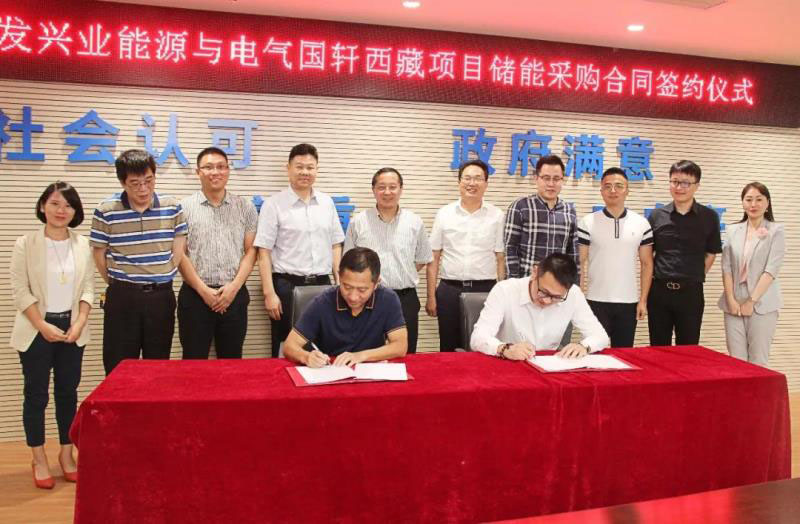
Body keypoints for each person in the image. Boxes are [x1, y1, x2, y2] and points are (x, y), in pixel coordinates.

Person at [9, 182, 93, 489]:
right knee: (36, 395)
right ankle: (39, 458)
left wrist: (80, 322)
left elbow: (88, 288)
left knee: (67, 393)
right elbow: (20, 291)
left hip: (72, 331)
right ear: (43, 206)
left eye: (68, 205)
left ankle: (66, 455)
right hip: (36, 330)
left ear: (75, 211)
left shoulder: (82, 244)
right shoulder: (26, 244)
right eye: (55, 203)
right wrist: (42, 325)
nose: (61, 210)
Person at [90, 149, 187, 374]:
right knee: (119, 366)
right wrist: (117, 282)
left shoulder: (172, 206)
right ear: (122, 182)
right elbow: (99, 254)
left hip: (161, 296)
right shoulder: (106, 210)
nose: (143, 189)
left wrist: (165, 271)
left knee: (158, 366)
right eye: (135, 183)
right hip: (123, 297)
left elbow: (179, 244)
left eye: (149, 181)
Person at [255, 143, 345, 357]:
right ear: (288, 168)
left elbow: (335, 244)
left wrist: (339, 284)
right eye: (299, 166)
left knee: (322, 344)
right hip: (287, 287)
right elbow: (263, 252)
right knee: (285, 346)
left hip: (323, 285)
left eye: (310, 167)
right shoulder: (273, 204)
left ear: (317, 170)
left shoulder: (326, 203)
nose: (305, 172)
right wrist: (269, 293)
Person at [178, 147, 258, 359]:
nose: (215, 172)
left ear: (228, 170)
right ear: (198, 172)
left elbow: (251, 251)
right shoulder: (183, 208)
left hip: (234, 295)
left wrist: (233, 288)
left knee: (232, 362)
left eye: (221, 167)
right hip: (195, 296)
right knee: (193, 362)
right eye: (208, 167)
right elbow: (180, 254)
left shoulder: (245, 207)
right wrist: (203, 291)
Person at [344, 167, 432, 353]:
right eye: (381, 187)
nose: (387, 192)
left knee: (405, 354)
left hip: (405, 299)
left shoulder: (414, 222)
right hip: (367, 299)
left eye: (392, 187)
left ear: (401, 189)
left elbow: (422, 259)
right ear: (373, 190)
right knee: (365, 353)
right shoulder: (358, 222)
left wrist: (402, 272)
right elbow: (349, 262)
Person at [426, 159, 505, 351]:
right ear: (459, 182)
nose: (472, 183)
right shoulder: (444, 213)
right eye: (467, 178)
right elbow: (433, 257)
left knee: (483, 346)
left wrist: (503, 295)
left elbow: (500, 258)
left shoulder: (497, 215)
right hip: (449, 290)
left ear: (486, 183)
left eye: (478, 178)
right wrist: (431, 296)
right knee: (449, 347)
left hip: (485, 290)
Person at [283, 247, 408, 367]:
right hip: (332, 370)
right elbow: (289, 346)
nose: (353, 297)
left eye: (362, 290)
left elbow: (400, 346)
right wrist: (306, 357)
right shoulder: (322, 302)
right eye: (347, 287)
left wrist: (361, 356)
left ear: (376, 284)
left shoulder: (388, 299)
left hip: (371, 371)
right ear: (339, 276)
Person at [470, 253, 609, 359]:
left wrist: (583, 346)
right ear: (535, 273)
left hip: (548, 367)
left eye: (556, 297)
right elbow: (478, 338)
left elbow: (600, 336)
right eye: (544, 292)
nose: (547, 301)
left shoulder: (574, 294)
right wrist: (504, 349)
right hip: (508, 364)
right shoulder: (505, 290)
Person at [504, 154, 579, 346]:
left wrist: (573, 287)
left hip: (558, 292)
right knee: (523, 345)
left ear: (563, 180)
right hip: (528, 291)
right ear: (536, 178)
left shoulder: (569, 210)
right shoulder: (520, 207)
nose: (551, 184)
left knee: (557, 346)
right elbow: (510, 249)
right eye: (546, 178)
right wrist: (513, 285)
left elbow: (573, 253)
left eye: (556, 178)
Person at [647, 160, 721, 346]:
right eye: (675, 182)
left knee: (688, 349)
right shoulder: (656, 216)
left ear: (697, 186)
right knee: (658, 348)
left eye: (686, 183)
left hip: (691, 293)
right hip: (659, 292)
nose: (679, 187)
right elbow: (648, 255)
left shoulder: (709, 217)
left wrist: (693, 275)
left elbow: (711, 252)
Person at [578, 167, 653, 348]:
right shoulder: (587, 222)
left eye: (619, 186)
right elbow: (580, 262)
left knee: (624, 353)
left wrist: (643, 300)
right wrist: (579, 299)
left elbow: (647, 264)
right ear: (601, 190)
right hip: (595, 300)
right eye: (607, 186)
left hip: (628, 302)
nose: (613, 190)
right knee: (595, 352)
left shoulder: (641, 223)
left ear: (627, 190)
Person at [718, 182, 784, 367]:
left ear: (767, 203)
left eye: (758, 199)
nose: (753, 204)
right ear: (743, 203)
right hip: (733, 302)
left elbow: (770, 271)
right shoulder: (732, 230)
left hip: (762, 302)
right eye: (748, 199)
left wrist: (751, 302)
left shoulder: (776, 231)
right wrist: (730, 299)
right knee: (736, 360)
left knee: (758, 360)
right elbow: (726, 267)